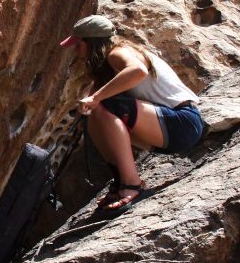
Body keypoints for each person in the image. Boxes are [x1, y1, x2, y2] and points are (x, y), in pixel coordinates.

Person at [60, 15, 204, 217]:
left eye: (79, 45)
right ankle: (120, 182)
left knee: (103, 105)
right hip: (167, 127)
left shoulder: (117, 53)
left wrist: (96, 97)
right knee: (95, 113)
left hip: (182, 123)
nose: (77, 51)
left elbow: (137, 70)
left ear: (91, 43)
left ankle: (133, 185)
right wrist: (92, 99)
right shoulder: (110, 63)